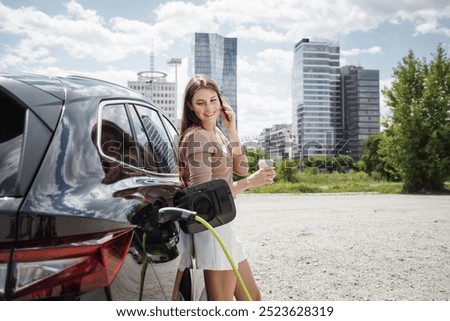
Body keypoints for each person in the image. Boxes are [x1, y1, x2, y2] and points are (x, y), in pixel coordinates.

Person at [174, 74, 276, 301]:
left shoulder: (217, 133)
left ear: (221, 101)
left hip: (223, 226)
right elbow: (203, 197)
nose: (209, 108)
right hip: (211, 231)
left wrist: (232, 130)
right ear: (190, 106)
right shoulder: (197, 136)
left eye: (213, 100)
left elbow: (242, 167)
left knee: (252, 299)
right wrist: (250, 183)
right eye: (200, 103)